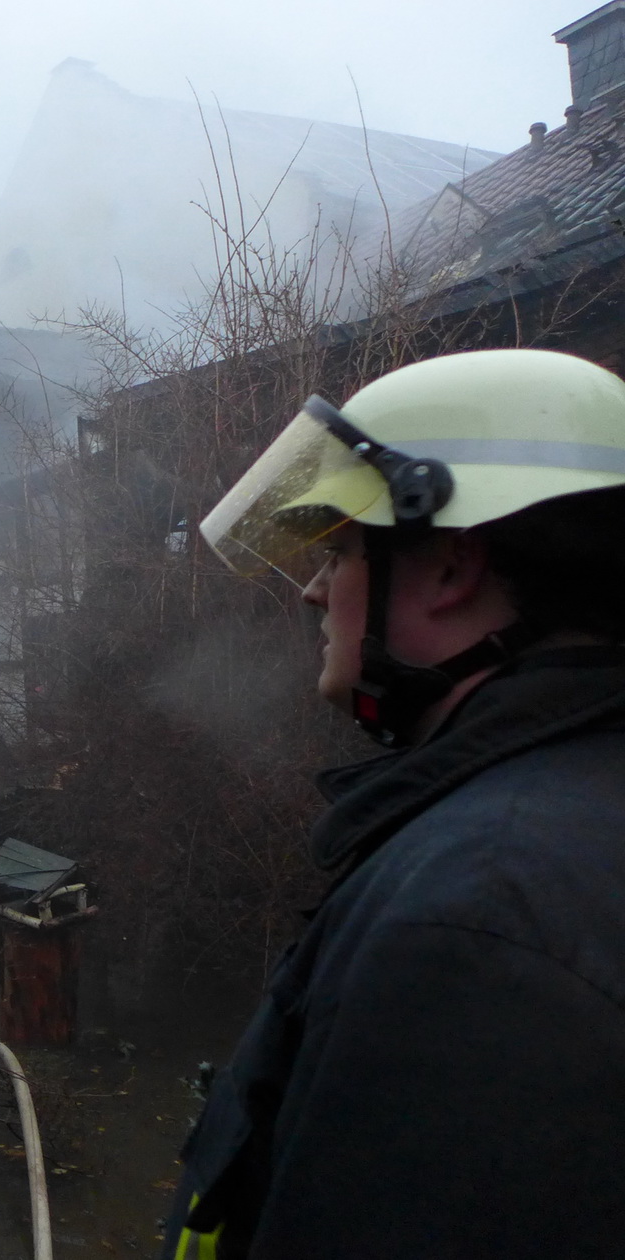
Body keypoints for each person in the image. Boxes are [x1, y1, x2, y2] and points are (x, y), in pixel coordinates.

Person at [165, 348, 625, 1258]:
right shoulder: (575, 811)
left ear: (452, 565)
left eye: (339, 550)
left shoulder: (481, 916)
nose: (312, 590)